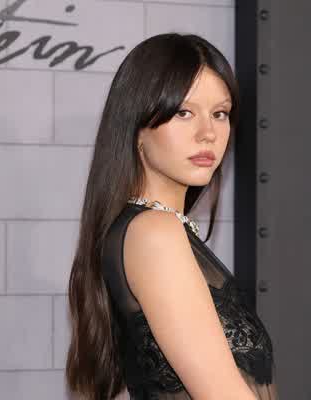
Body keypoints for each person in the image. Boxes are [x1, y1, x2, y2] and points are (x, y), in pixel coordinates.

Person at [65, 32, 278, 400]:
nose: (208, 133)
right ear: (137, 127)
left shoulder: (151, 229)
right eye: (184, 112)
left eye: (220, 114)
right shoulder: (154, 232)